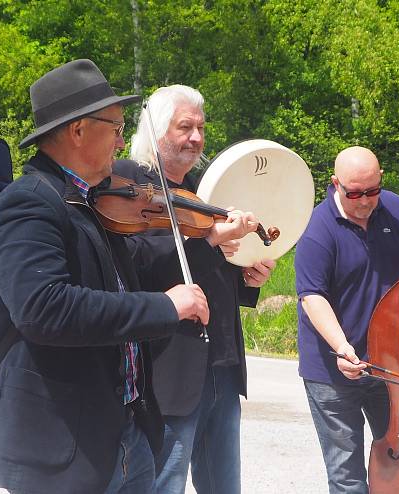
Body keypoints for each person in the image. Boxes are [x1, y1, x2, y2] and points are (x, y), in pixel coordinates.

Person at [0, 60, 254, 494]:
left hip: (124, 433)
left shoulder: (88, 201)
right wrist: (166, 305)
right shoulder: (28, 204)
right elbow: (45, 309)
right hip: (64, 444)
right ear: (78, 131)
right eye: (115, 127)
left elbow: (126, 283)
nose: (123, 140)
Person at [113, 84, 276, 494]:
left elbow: (210, 273)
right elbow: (138, 266)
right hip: (170, 368)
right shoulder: (130, 183)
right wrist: (211, 241)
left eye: (201, 128)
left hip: (221, 364)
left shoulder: (207, 189)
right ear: (156, 132)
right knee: (164, 483)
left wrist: (245, 279)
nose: (197, 138)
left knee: (224, 487)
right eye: (185, 127)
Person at [294, 146, 399, 493]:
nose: (365, 201)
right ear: (335, 184)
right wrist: (341, 347)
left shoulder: (398, 209)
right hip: (332, 372)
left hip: (392, 369)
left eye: (372, 190)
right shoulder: (316, 229)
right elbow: (312, 296)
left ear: (381, 179)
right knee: (346, 475)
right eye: (354, 193)